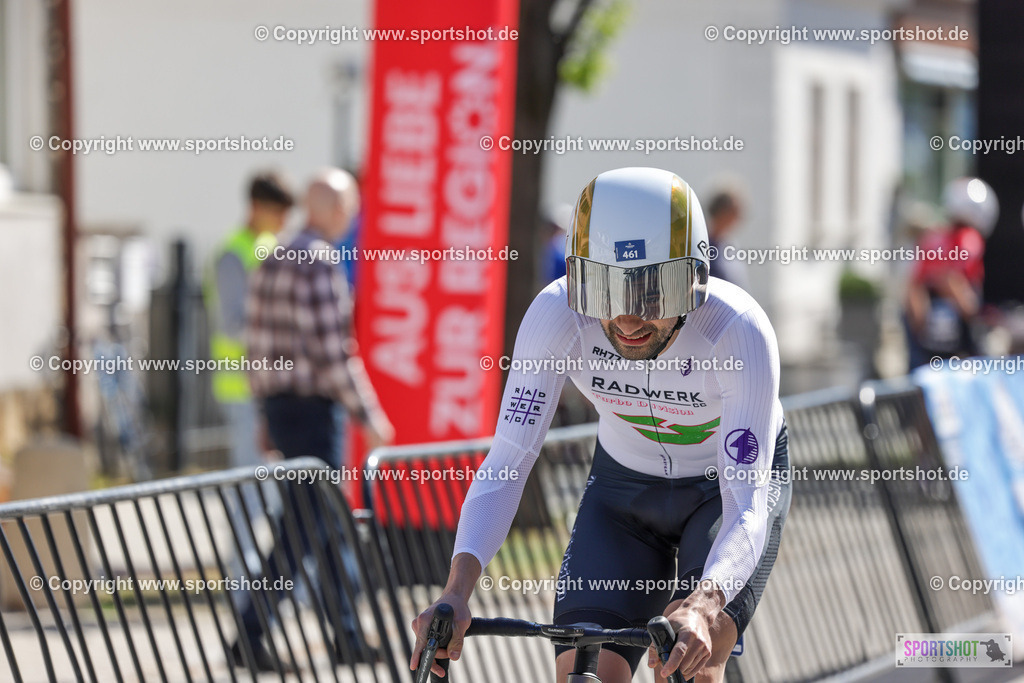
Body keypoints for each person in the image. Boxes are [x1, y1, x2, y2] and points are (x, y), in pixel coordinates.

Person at [411, 168, 792, 683]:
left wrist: (704, 604)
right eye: (606, 292)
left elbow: (745, 503)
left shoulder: (737, 329)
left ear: (695, 277)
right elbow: (507, 463)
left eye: (653, 293)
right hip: (622, 490)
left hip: (719, 494)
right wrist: (455, 592)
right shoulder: (556, 313)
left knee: (691, 663)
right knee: (585, 667)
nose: (629, 320)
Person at [232, 168, 394, 671]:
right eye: (347, 207)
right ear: (328, 208)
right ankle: (250, 635)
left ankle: (345, 632)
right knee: (304, 526)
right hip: (311, 411)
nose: (350, 219)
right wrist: (368, 415)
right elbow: (332, 354)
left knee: (324, 523)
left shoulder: (274, 255)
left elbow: (256, 348)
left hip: (283, 409)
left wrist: (264, 412)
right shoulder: (319, 260)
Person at [204, 172, 293, 572]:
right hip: (243, 390)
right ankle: (245, 587)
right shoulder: (232, 254)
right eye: (277, 213)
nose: (283, 222)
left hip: (271, 389)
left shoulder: (272, 246)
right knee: (252, 493)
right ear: (255, 207)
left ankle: (269, 585)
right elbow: (231, 324)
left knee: (273, 493)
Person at [903, 177, 997, 368]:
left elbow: (915, 290)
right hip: (954, 350)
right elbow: (963, 299)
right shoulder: (967, 240)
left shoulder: (932, 240)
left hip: (929, 353)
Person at [705, 184, 748, 289]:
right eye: (734, 211)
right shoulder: (704, 245)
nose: (739, 217)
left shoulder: (728, 244)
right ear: (722, 212)